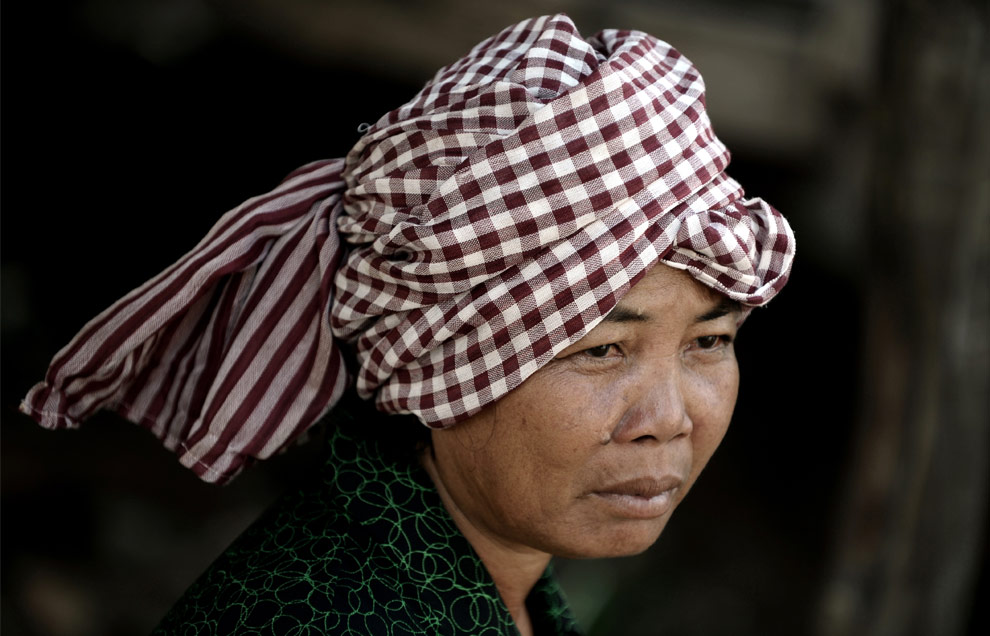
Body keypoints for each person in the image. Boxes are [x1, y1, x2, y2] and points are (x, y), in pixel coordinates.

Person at [20, 14, 795, 635]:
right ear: (433, 363)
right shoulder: (331, 616)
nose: (667, 420)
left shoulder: (496, 586)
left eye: (709, 341)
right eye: (599, 350)